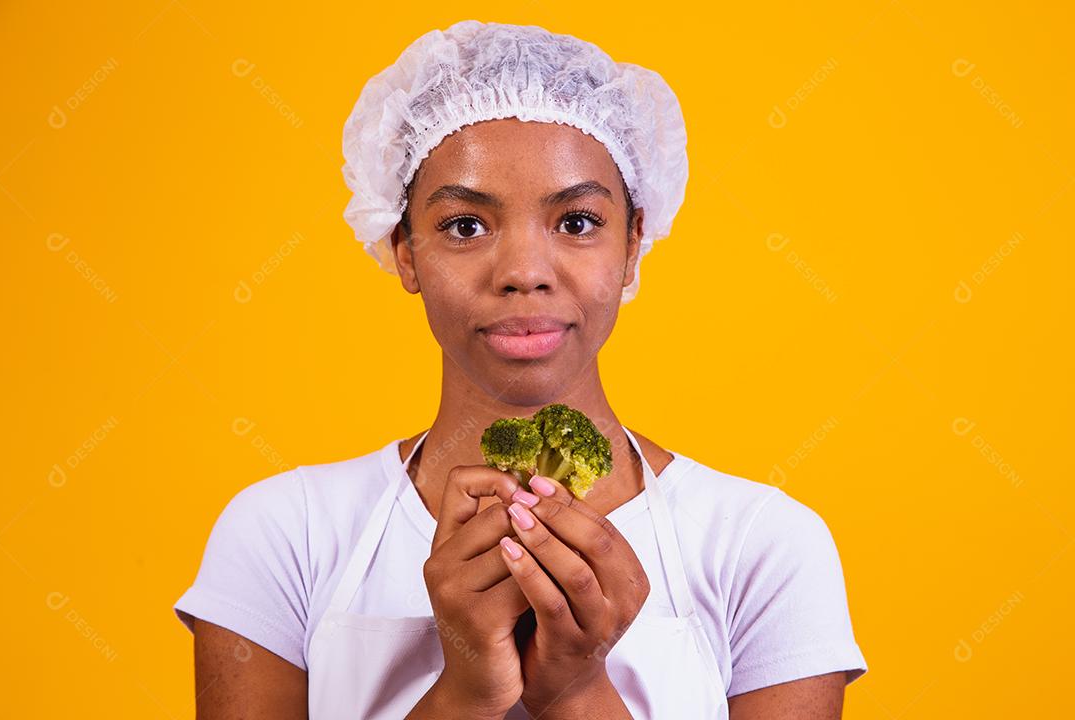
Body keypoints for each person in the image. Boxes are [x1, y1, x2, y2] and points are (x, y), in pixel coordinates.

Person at [174, 20, 867, 719]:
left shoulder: (762, 546)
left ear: (633, 245)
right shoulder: (284, 537)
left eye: (576, 222)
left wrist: (576, 689)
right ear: (405, 250)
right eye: (465, 226)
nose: (524, 274)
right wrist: (465, 692)